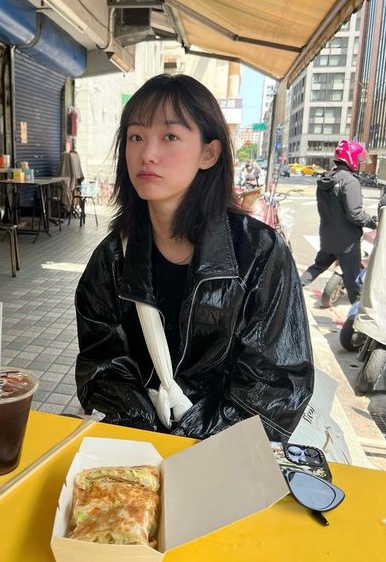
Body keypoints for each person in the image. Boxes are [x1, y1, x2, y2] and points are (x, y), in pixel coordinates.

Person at [75, 74, 314, 442]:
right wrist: (151, 431)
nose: (147, 153)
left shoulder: (260, 253)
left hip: (226, 451)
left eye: (170, 136)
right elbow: (100, 364)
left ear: (209, 154)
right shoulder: (111, 258)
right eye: (136, 137)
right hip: (138, 445)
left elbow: (278, 385)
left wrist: (188, 435)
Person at [300, 140, 377, 304]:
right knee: (353, 284)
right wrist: (373, 223)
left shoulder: (325, 180)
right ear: (351, 158)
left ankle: (290, 288)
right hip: (347, 243)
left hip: (327, 237)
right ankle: (355, 318)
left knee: (317, 267)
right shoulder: (350, 181)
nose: (360, 163)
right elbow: (355, 214)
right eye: (358, 159)